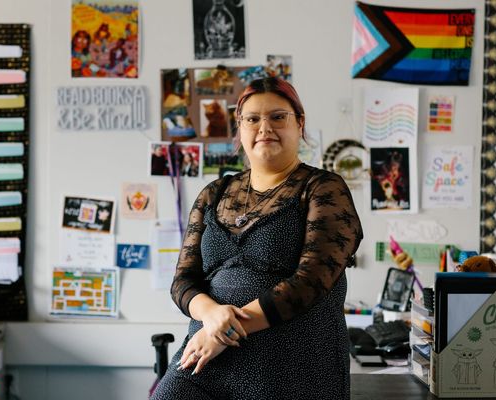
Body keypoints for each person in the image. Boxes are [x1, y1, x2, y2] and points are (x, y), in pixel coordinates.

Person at [151, 77, 363, 400]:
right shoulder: (214, 194)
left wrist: (225, 332)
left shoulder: (323, 189)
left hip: (291, 367)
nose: (265, 127)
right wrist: (212, 316)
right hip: (204, 359)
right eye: (252, 119)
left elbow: (311, 281)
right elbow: (182, 281)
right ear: (240, 129)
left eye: (278, 117)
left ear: (299, 123)